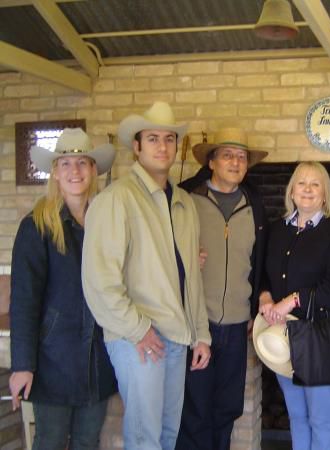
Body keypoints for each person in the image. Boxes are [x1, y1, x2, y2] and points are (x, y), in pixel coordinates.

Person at [81, 101, 212, 450]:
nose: (162, 146)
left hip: (177, 336)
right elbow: (99, 281)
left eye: (169, 138)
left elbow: (191, 279)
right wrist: (138, 330)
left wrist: (200, 333)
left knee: (167, 436)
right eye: (152, 138)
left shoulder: (183, 202)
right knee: (144, 439)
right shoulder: (116, 199)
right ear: (136, 147)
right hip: (138, 339)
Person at [9, 128, 117, 450]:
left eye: (82, 162)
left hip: (98, 360)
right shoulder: (36, 226)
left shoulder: (107, 222)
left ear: (93, 170)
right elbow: (24, 301)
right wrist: (22, 365)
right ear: (55, 173)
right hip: (53, 362)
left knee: (87, 442)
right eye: (65, 163)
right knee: (51, 442)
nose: (75, 171)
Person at [175, 128, 268, 450]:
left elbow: (260, 260)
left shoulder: (253, 204)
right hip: (196, 322)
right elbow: (160, 252)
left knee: (226, 409)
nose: (236, 162)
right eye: (227, 155)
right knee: (194, 410)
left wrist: (256, 309)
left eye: (242, 157)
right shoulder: (185, 199)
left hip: (237, 325)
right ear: (211, 162)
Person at [259, 161, 330, 450]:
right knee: (298, 417)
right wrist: (265, 296)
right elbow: (263, 273)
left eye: (316, 184)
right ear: (291, 191)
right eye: (302, 183)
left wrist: (293, 299)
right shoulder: (278, 230)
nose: (308, 189)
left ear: (325, 194)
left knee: (323, 421)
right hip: (283, 335)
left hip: (322, 338)